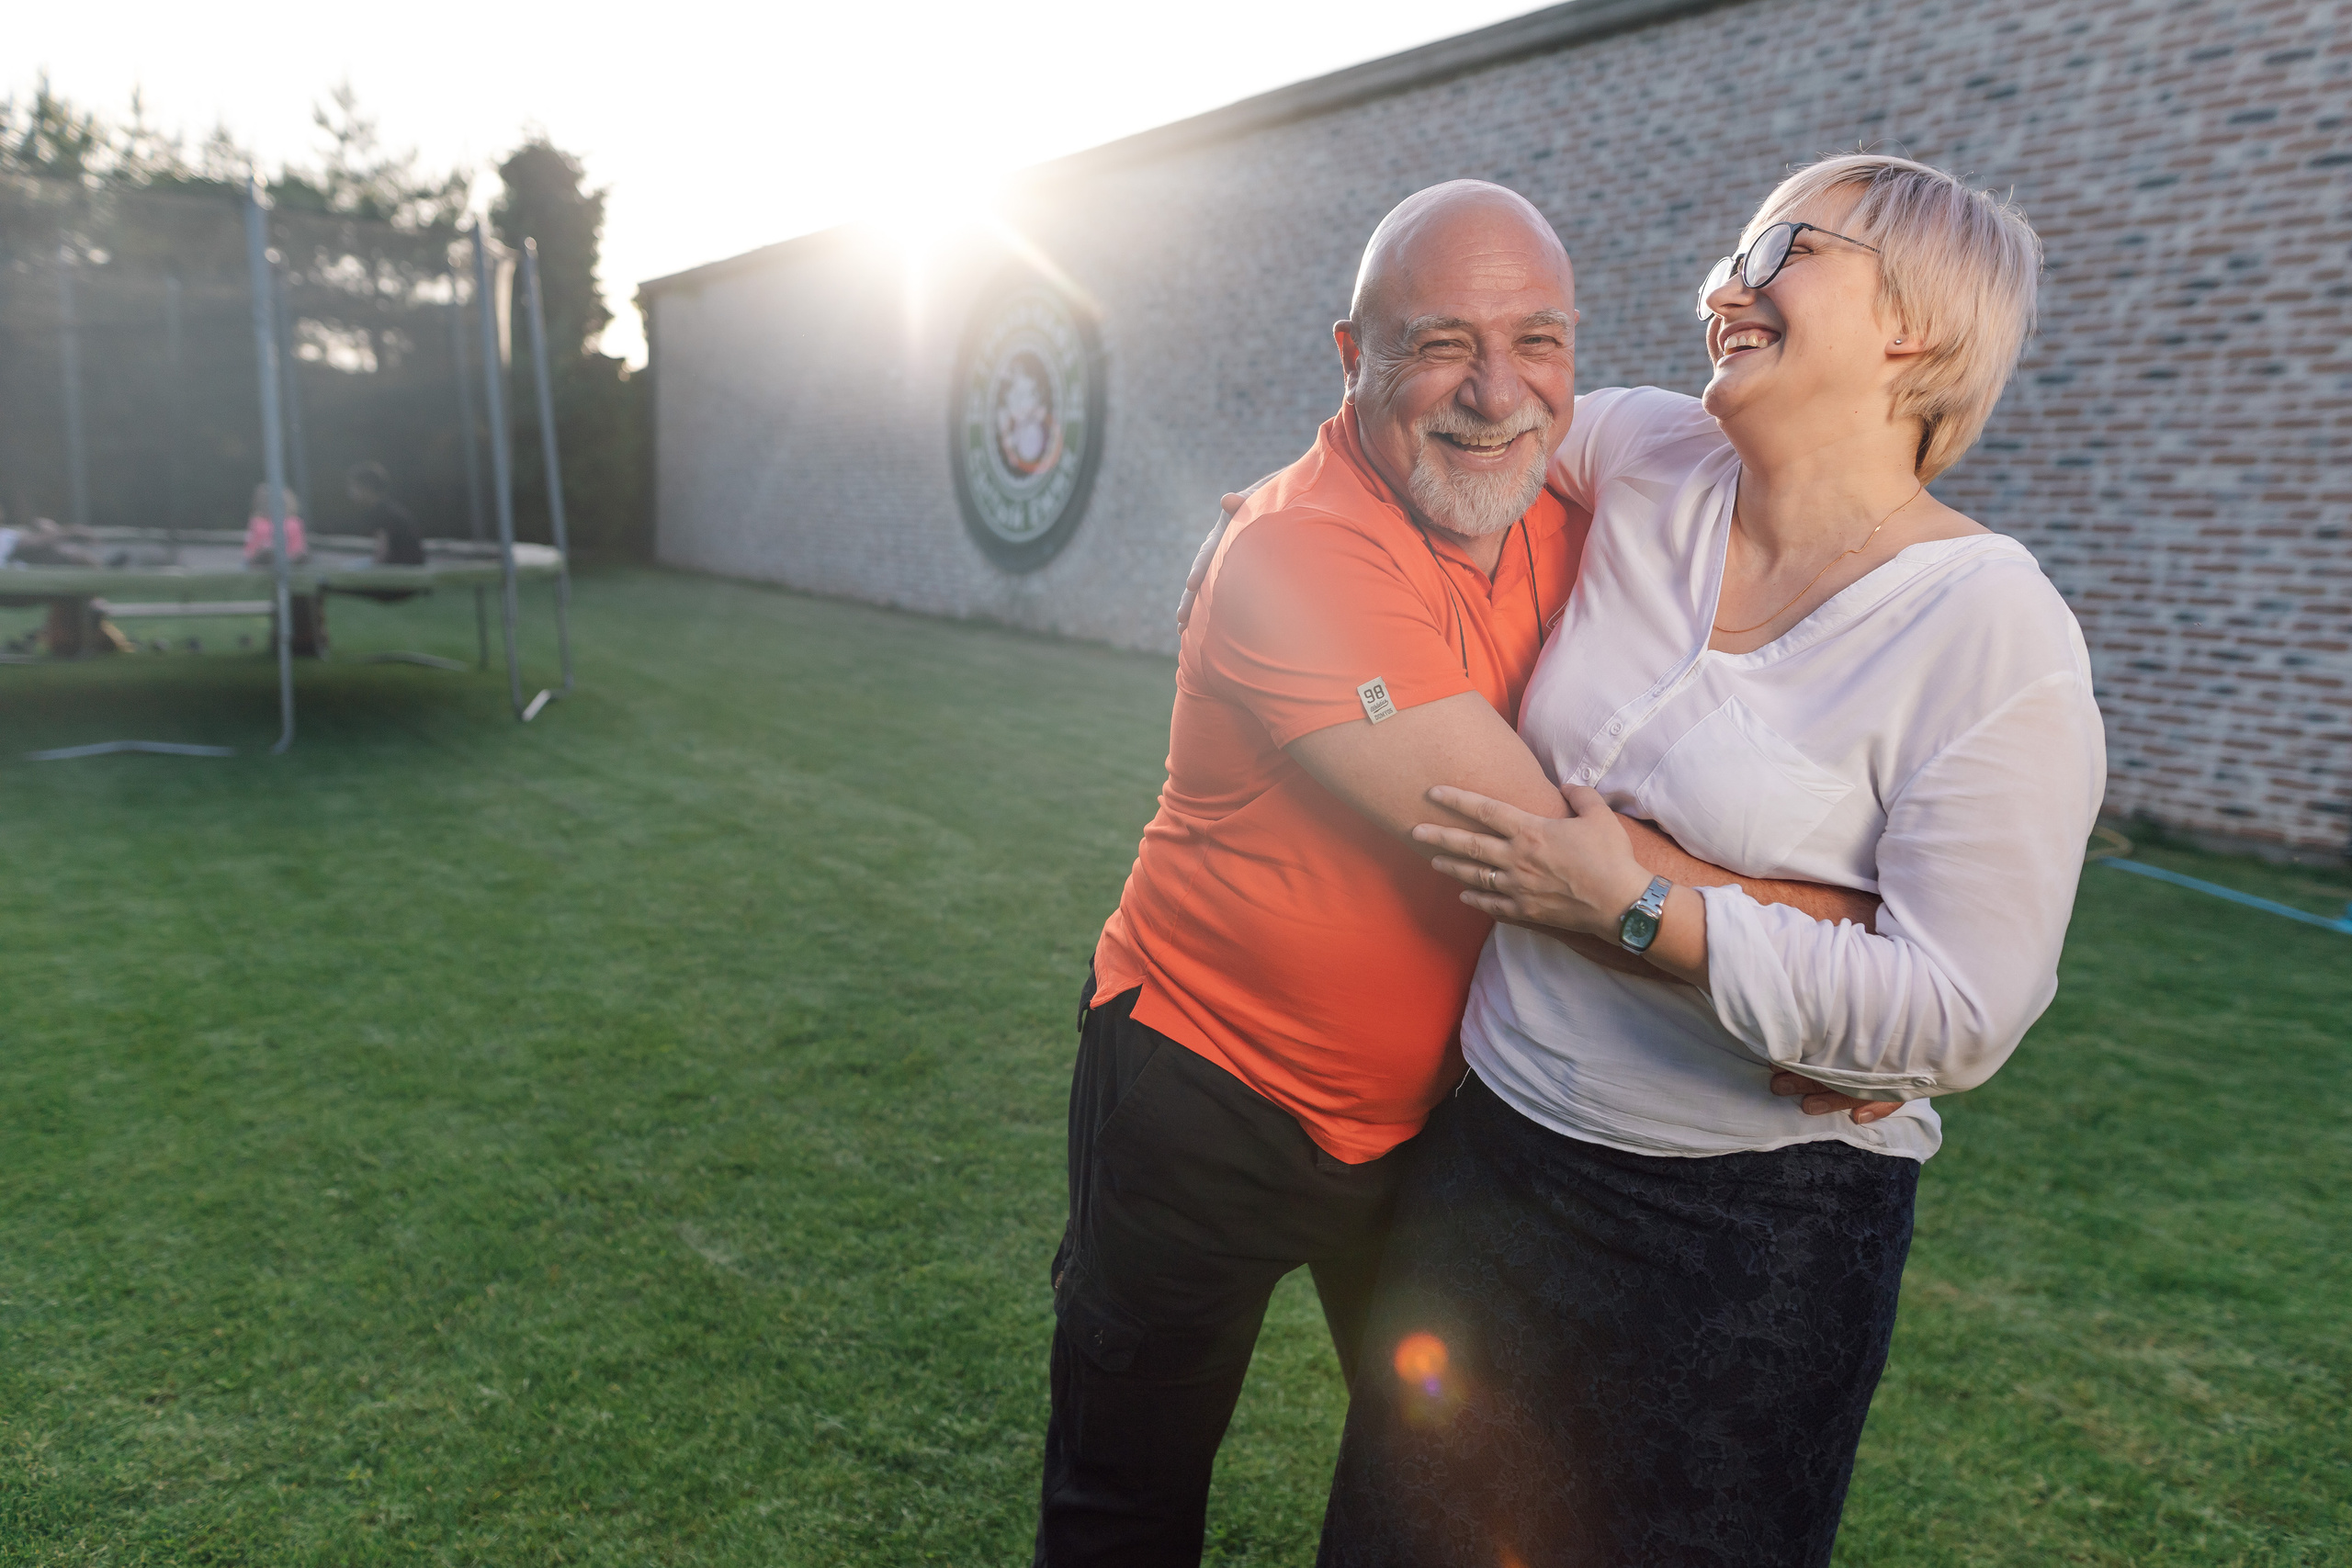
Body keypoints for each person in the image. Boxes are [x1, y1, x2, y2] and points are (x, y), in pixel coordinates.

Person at [1036, 181, 1879, 1568]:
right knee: (1126, 1498)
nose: (1496, 392)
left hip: (1436, 1126)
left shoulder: (1567, 504)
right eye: (1439, 343)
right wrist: (1830, 959)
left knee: (1447, 1485)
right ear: (1350, 356)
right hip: (1204, 1098)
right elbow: (1544, 851)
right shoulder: (1293, 561)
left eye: (1537, 340)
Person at [1317, 154, 2107, 1567]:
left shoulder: (1995, 631)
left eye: (1783, 250)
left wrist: (1640, 907)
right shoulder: (1640, 447)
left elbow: (1960, 1013)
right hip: (1492, 1159)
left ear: (1915, 321)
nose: (1720, 286)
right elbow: (1404, 467)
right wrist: (1271, 538)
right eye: (1731, 253)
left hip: (1758, 1240)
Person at [347, 460, 425, 566]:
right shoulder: (387, 508)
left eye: (354, 486)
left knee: (350, 569)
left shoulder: (381, 512)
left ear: (366, 487)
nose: (351, 491)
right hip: (407, 563)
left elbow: (383, 551)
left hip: (403, 567)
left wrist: (371, 573)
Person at [242, 483, 309, 567]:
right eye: (268, 502)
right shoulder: (257, 523)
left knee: (299, 555)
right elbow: (251, 550)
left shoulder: (294, 523)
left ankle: (286, 561)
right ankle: (271, 558)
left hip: (290, 558)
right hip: (260, 561)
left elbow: (298, 547)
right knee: (267, 552)